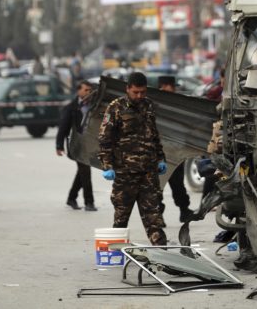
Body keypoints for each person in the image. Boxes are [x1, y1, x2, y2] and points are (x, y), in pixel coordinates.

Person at [98, 72, 167, 245]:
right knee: (121, 217)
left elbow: (154, 135)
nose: (139, 96)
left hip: (148, 173)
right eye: (136, 92)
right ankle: (117, 252)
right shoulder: (115, 108)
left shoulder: (149, 106)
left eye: (143, 92)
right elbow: (105, 139)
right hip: (125, 173)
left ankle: (162, 253)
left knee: (154, 216)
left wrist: (160, 158)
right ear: (128, 89)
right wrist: (108, 166)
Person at [157, 75, 194, 222]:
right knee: (157, 185)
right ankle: (158, 214)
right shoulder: (155, 103)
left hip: (177, 149)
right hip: (159, 151)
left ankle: (184, 210)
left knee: (177, 184)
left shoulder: (179, 103)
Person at [57, 80, 97, 211]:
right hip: (76, 145)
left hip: (88, 145)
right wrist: (59, 145)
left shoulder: (94, 106)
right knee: (85, 171)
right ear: (78, 91)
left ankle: (71, 198)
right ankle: (89, 202)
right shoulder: (70, 108)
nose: (88, 93)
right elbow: (63, 127)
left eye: (90, 90)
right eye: (86, 90)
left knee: (82, 172)